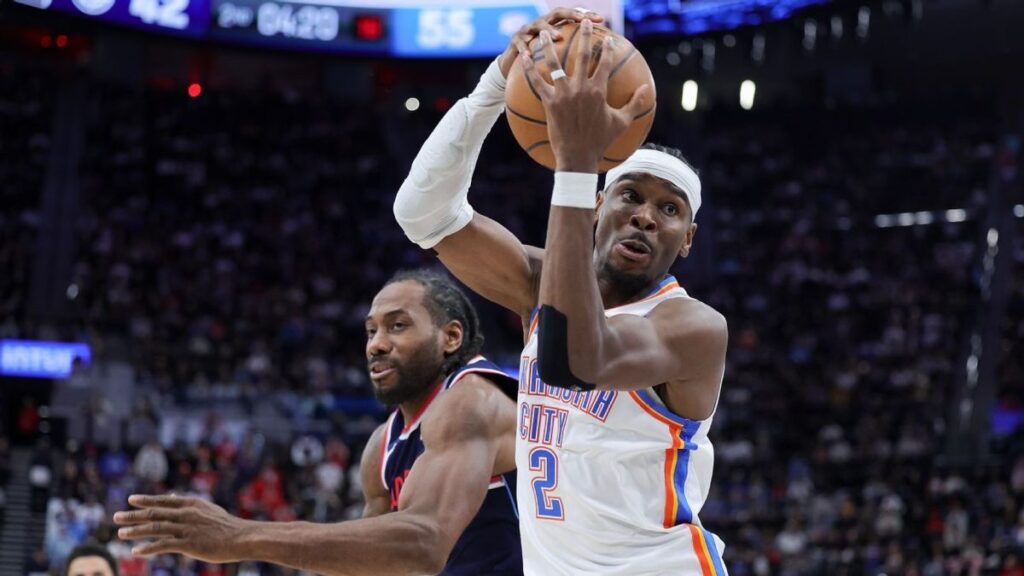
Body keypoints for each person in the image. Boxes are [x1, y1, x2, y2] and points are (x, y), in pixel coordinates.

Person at [393, 11, 729, 575]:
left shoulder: (692, 328)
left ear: (688, 239)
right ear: (599, 206)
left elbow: (576, 357)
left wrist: (576, 162)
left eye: (669, 210)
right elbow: (422, 213)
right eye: (629, 195)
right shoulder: (538, 283)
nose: (645, 217)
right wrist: (496, 86)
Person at [115, 270, 522, 575]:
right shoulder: (382, 445)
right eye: (371, 330)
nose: (376, 343)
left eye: (398, 325)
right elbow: (372, 564)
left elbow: (424, 541)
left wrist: (239, 536)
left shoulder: (471, 400)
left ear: (451, 337)